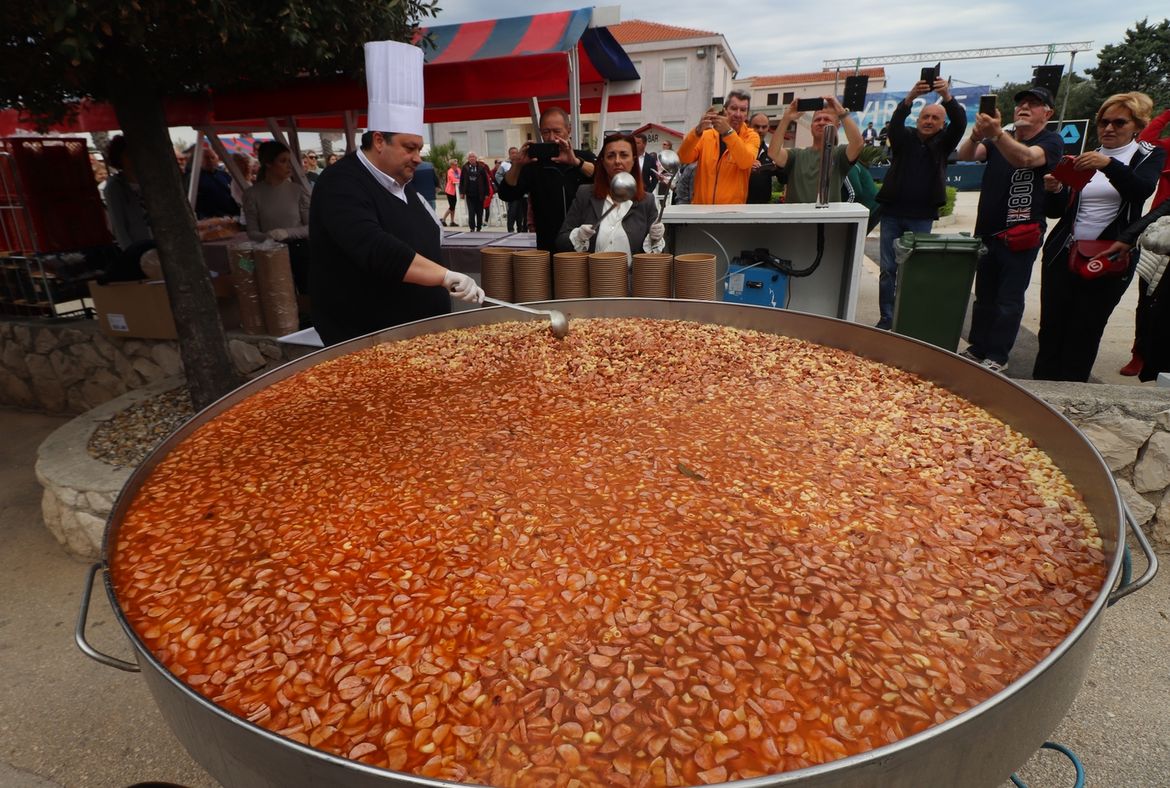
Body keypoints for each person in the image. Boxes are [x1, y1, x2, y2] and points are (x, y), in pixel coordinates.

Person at [308, 40, 482, 347]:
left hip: (418, 338)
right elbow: (376, 249)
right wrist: (444, 276)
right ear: (379, 140)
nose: (417, 158)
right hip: (366, 341)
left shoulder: (403, 184)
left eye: (419, 148)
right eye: (409, 148)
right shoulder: (340, 184)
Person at [1030, 93, 1163, 382]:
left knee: (1085, 332)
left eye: (1119, 122)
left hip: (1109, 258)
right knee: (1051, 329)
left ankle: (1070, 398)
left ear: (1138, 125)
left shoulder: (1146, 155)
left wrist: (1108, 164)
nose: (1109, 128)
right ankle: (1040, 393)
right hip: (1063, 254)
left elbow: (1140, 190)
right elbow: (1057, 212)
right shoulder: (1085, 156)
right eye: (1104, 122)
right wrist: (1055, 190)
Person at [955, 85, 1064, 373]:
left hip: (1021, 235)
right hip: (988, 232)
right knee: (984, 297)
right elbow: (966, 154)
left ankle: (998, 355)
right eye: (1020, 103)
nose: (1023, 107)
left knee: (1009, 300)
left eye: (1033, 103)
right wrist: (977, 134)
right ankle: (978, 348)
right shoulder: (1000, 139)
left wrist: (997, 134)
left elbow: (1026, 159)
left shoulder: (1050, 140)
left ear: (1047, 113)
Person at [873, 76, 967, 329]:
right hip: (893, 214)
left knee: (913, 270)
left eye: (935, 118)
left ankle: (907, 317)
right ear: (918, 119)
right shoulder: (904, 139)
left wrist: (946, 96)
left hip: (921, 217)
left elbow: (960, 123)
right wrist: (911, 96)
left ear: (942, 123)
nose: (929, 121)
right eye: (925, 116)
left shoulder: (944, 143)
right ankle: (887, 317)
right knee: (888, 269)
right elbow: (896, 122)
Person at [497, 106, 596, 251]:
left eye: (557, 131)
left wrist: (576, 162)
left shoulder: (584, 157)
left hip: (584, 242)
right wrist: (517, 165)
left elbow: (603, 179)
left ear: (568, 130)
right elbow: (507, 194)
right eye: (546, 132)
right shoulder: (533, 163)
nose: (551, 138)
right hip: (548, 243)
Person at [556, 133, 666, 263]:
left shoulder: (647, 201)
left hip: (630, 276)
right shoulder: (585, 194)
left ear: (633, 160)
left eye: (624, 155)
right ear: (603, 162)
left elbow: (658, 259)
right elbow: (561, 242)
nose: (617, 161)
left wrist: (656, 239)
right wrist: (578, 236)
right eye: (611, 156)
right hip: (593, 274)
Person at [1120, 105, 1170, 375]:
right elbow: (1146, 141)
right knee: (1147, 298)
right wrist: (1167, 114)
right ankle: (1139, 353)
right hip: (1158, 235)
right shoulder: (1167, 148)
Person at [769, 96, 864, 204]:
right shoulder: (796, 155)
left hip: (827, 214)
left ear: (837, 126)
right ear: (811, 126)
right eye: (817, 120)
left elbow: (858, 144)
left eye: (827, 119)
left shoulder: (839, 154)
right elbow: (773, 153)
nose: (821, 122)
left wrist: (842, 113)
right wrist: (786, 118)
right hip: (796, 214)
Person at [246, 140, 313, 293]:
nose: (289, 166)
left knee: (307, 293)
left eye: (289, 161)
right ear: (268, 163)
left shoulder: (298, 191)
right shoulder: (252, 194)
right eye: (283, 161)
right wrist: (268, 236)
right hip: (271, 252)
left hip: (299, 250)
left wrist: (287, 232)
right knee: (279, 296)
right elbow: (252, 231)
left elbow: (311, 227)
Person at [678, 90, 759, 204]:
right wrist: (697, 131)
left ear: (747, 114)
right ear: (725, 110)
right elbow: (683, 157)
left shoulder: (751, 136)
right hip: (702, 210)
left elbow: (745, 162)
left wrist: (728, 133)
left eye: (743, 110)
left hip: (731, 212)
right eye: (734, 108)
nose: (738, 114)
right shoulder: (706, 135)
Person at [102, 135, 152, 251]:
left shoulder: (151, 181)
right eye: (128, 154)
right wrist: (131, 253)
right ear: (119, 158)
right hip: (139, 249)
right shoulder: (114, 187)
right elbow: (119, 227)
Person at [187, 142, 239, 219]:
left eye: (212, 157)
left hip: (232, 216)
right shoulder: (194, 177)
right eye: (206, 158)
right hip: (210, 219)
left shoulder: (224, 175)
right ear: (199, 160)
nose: (210, 160)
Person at [747, 113, 779, 205]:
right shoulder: (740, 148)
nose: (760, 130)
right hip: (740, 203)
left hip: (763, 205)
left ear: (768, 128)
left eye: (764, 127)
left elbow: (783, 179)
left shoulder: (771, 152)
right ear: (749, 126)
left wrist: (779, 168)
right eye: (756, 126)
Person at [459, 152, 491, 232]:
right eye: (470, 157)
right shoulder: (465, 167)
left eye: (473, 157)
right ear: (468, 159)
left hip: (480, 194)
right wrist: (462, 192)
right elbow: (462, 180)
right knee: (471, 212)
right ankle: (472, 228)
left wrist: (487, 193)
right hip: (469, 194)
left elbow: (486, 181)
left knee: (479, 212)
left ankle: (479, 227)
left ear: (476, 158)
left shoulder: (481, 168)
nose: (472, 158)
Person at [499, 147, 528, 232]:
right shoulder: (505, 165)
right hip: (511, 194)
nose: (514, 155)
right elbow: (498, 175)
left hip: (521, 194)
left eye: (516, 153)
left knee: (521, 213)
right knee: (512, 212)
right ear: (509, 154)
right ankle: (510, 229)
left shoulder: (521, 164)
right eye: (512, 153)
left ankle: (520, 229)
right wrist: (506, 185)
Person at [440, 158, 460, 227]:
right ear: (451, 165)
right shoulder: (450, 171)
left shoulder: (458, 170)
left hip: (456, 191)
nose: (456, 165)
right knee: (452, 206)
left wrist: (459, 180)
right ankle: (443, 219)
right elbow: (453, 179)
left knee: (453, 206)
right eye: (454, 164)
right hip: (450, 191)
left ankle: (452, 221)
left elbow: (461, 177)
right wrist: (459, 180)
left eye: (457, 164)